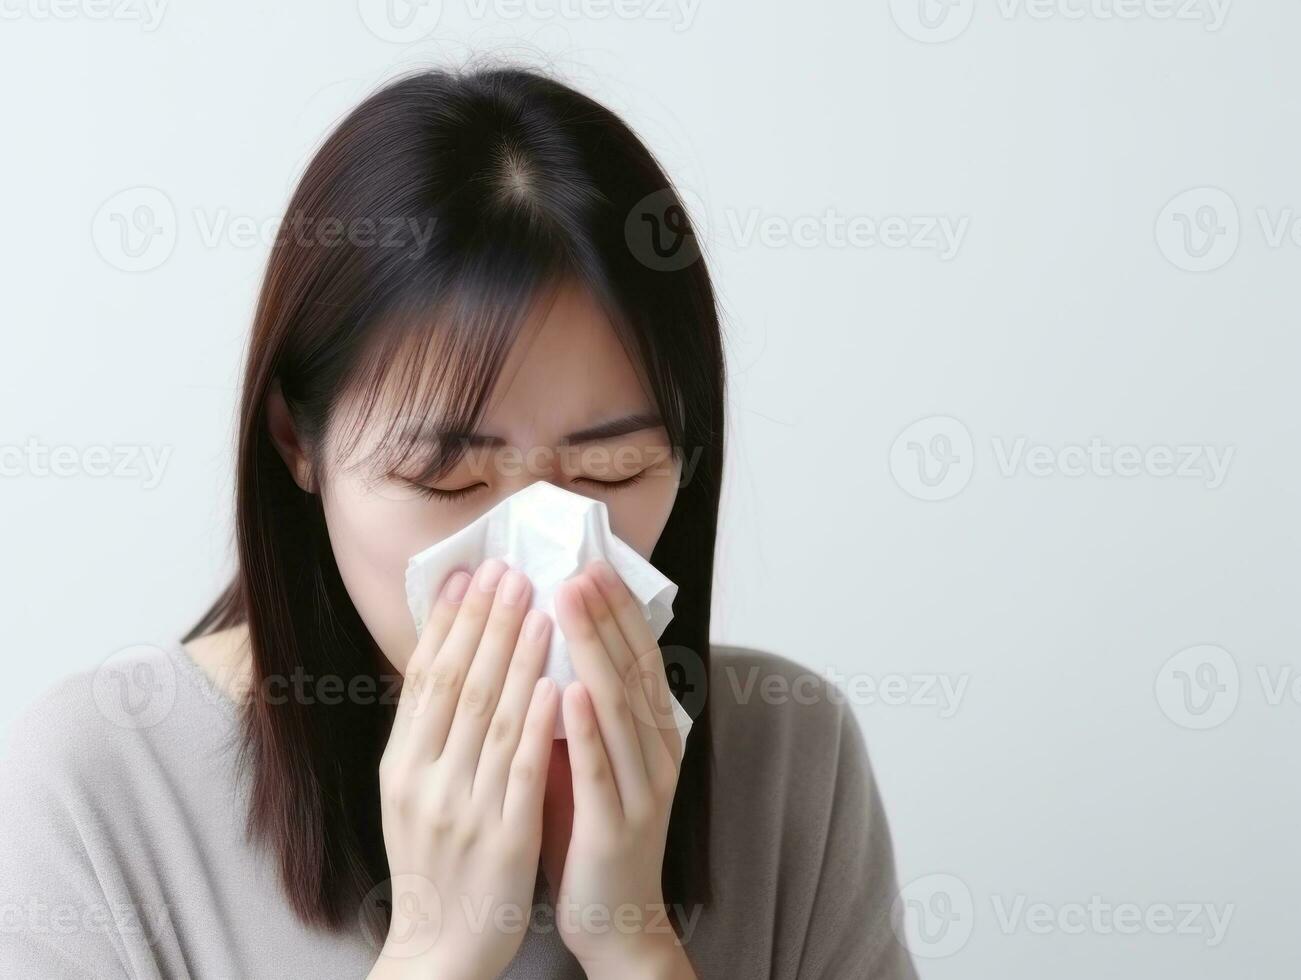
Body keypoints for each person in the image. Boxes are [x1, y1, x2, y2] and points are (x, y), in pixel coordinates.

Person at [0, 65, 917, 979]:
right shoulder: (104, 782)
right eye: (444, 478)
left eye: (613, 469)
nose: (535, 561)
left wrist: (635, 946)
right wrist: (438, 954)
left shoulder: (788, 756)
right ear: (296, 441)